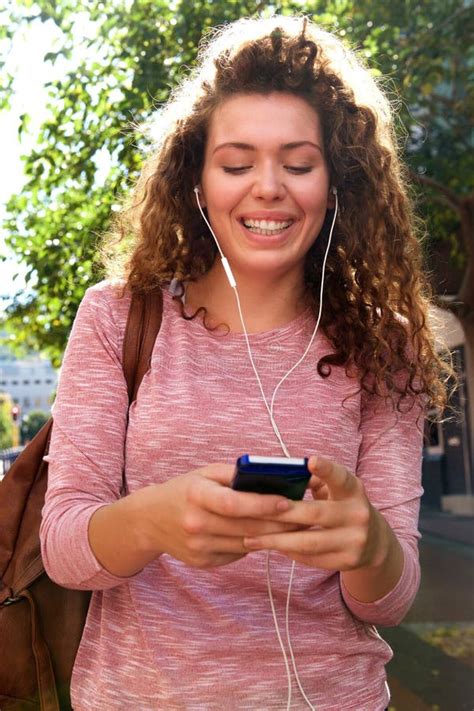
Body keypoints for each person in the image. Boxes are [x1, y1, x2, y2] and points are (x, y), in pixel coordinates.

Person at [40, 15, 450, 711]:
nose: (268, 187)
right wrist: (154, 520)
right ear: (197, 180)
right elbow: (63, 547)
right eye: (236, 163)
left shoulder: (389, 342)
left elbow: (391, 595)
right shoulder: (118, 318)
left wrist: (368, 541)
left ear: (337, 181)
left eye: (298, 163)